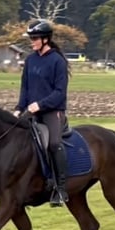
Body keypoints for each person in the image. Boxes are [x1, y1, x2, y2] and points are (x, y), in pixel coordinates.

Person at [13, 19, 70, 207]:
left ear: (46, 39)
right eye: (31, 38)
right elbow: (25, 88)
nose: (32, 41)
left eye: (35, 38)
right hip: (31, 111)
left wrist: (40, 105)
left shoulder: (57, 61)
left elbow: (59, 93)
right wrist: (18, 109)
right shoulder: (30, 60)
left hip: (53, 112)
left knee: (53, 144)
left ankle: (61, 190)